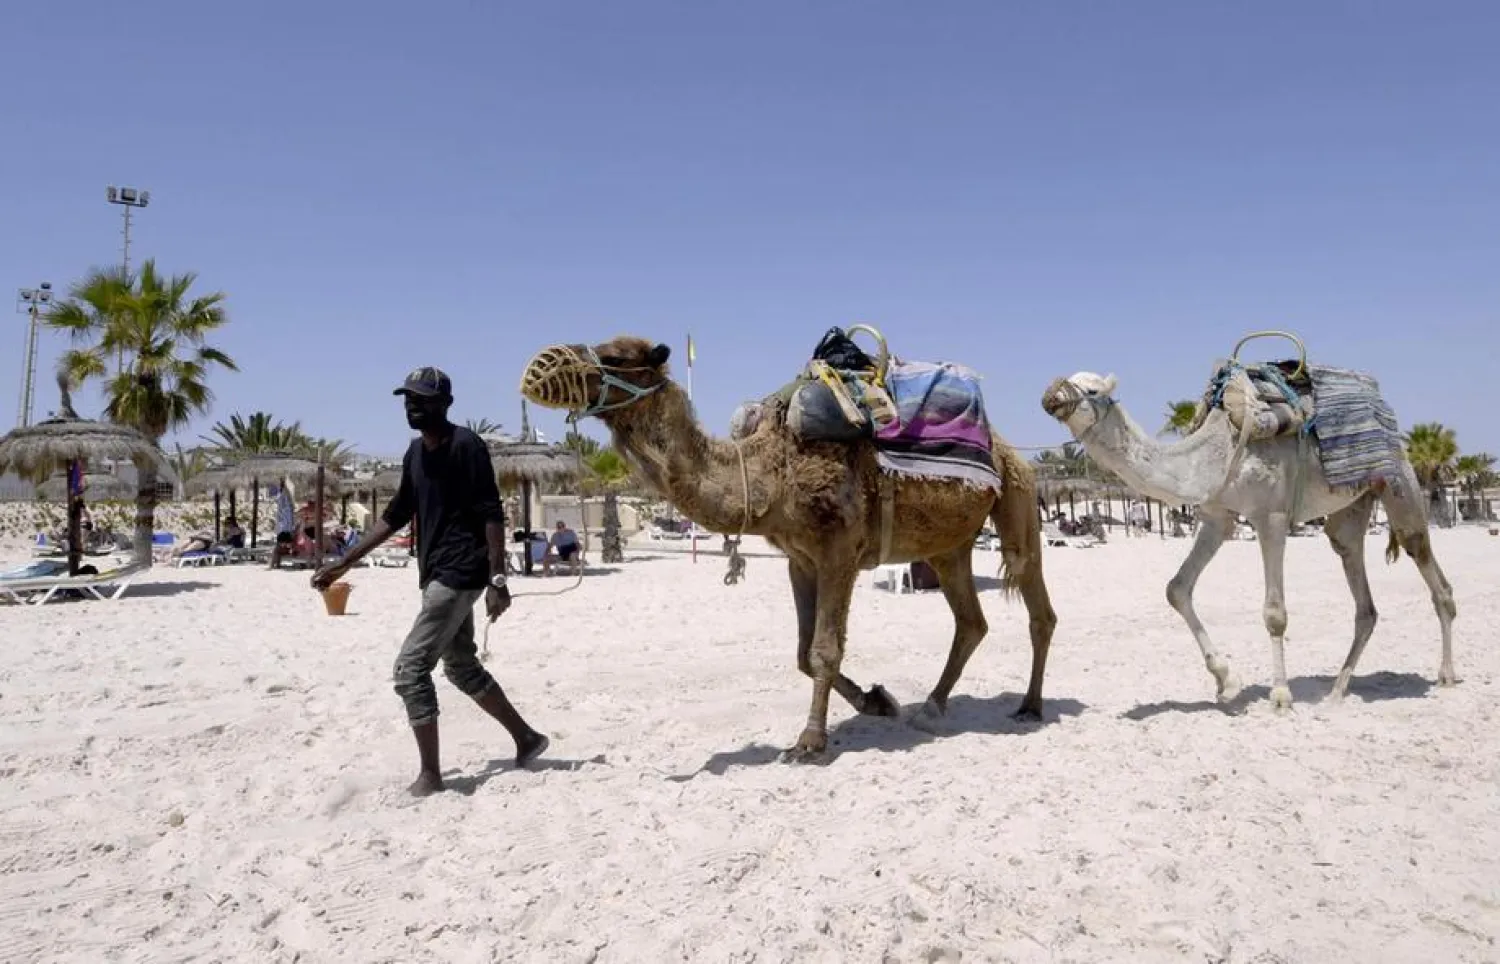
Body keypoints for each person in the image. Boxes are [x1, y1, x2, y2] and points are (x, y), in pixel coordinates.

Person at [311, 366, 548, 796]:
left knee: (409, 670)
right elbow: (396, 514)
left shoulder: (468, 447)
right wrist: (345, 561)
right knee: (459, 666)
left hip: (460, 572)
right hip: (434, 571)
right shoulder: (414, 454)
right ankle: (527, 738)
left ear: (445, 404)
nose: (412, 406)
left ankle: (431, 776)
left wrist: (498, 578)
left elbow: (491, 513)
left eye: (421, 400)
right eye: (407, 399)